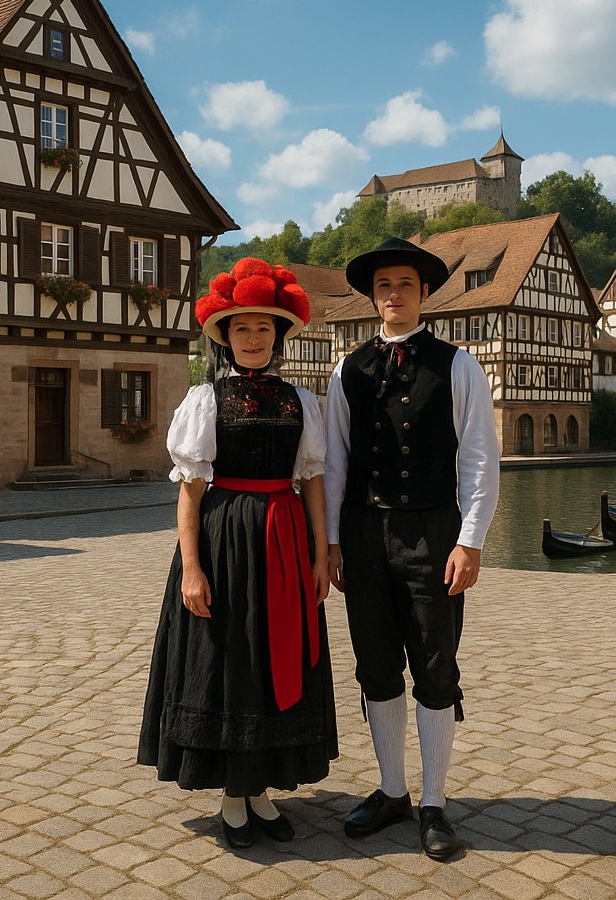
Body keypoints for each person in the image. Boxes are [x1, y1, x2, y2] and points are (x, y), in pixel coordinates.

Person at [138, 258, 338, 850]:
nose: (254, 339)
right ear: (225, 337)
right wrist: (192, 567)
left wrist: (323, 554)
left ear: (278, 337)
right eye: (243, 329)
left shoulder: (303, 400)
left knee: (277, 655)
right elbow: (190, 491)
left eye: (264, 329)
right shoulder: (205, 400)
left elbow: (316, 482)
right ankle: (233, 796)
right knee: (231, 662)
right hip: (225, 545)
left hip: (284, 537)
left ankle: (259, 791)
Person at [324, 237, 500, 861]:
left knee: (434, 668)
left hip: (433, 533)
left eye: (404, 284)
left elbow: (479, 457)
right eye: (383, 286)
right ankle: (392, 790)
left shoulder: (458, 366)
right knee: (375, 667)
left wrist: (470, 541)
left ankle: (434, 802)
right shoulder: (346, 370)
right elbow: (337, 462)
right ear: (373, 296)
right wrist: (333, 542)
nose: (393, 294)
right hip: (365, 537)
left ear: (424, 293)